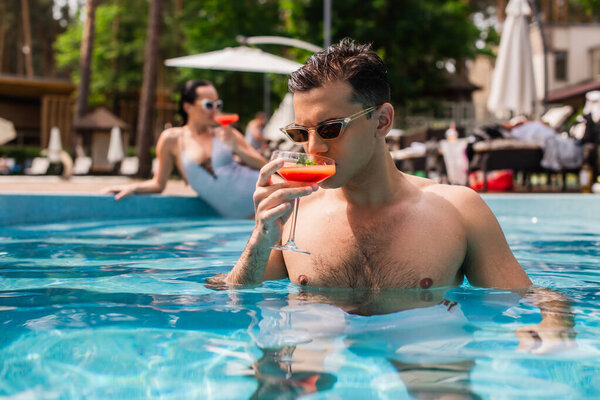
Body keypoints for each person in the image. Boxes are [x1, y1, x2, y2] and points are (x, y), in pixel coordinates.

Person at [222, 39, 575, 347]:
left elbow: (533, 299)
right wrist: (259, 237)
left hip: (424, 350)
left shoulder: (458, 210)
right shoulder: (294, 214)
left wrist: (554, 329)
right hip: (318, 350)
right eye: (301, 133)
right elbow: (233, 296)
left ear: (382, 121)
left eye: (330, 129)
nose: (314, 148)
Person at [102, 80, 267, 218]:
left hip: (267, 199)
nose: (215, 109)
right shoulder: (172, 139)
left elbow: (266, 167)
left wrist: (238, 148)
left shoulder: (226, 133)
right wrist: (133, 187)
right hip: (244, 220)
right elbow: (159, 184)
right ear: (188, 107)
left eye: (218, 104)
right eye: (208, 104)